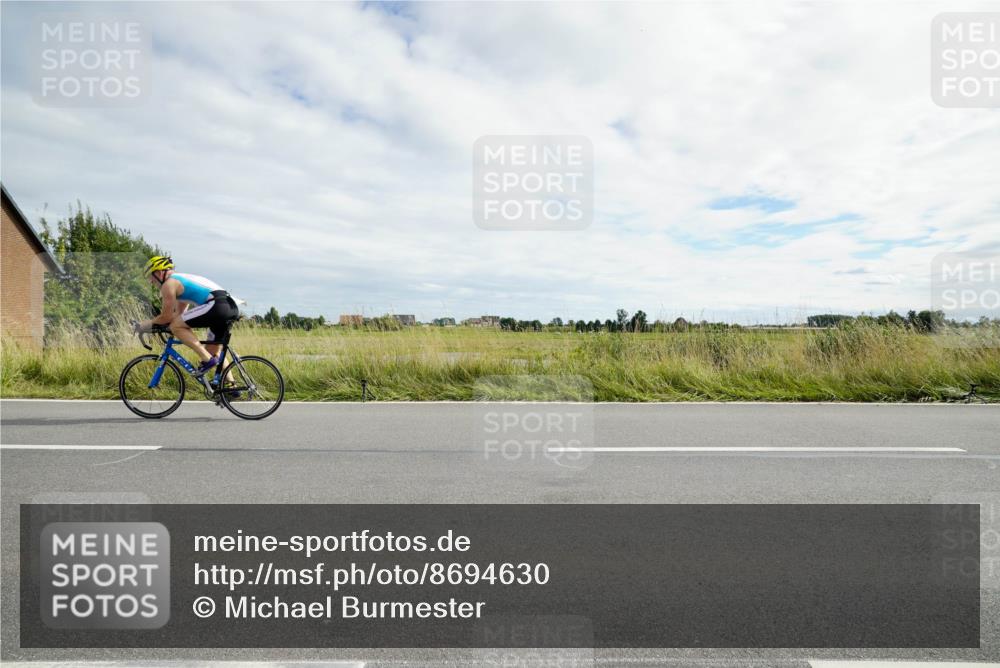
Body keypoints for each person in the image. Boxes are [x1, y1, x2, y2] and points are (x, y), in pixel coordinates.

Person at [137, 256, 240, 377]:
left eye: (150, 277)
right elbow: (178, 315)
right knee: (213, 352)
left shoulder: (169, 284)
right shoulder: (181, 282)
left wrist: (144, 325)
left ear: (159, 273)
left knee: (177, 326)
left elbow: (167, 316)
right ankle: (231, 389)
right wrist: (167, 327)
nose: (151, 282)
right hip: (229, 307)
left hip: (217, 305)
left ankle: (207, 360)